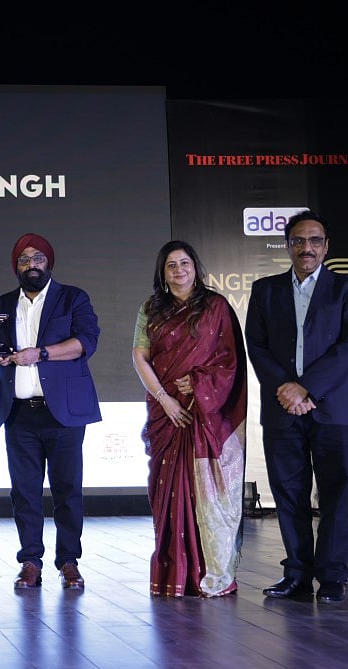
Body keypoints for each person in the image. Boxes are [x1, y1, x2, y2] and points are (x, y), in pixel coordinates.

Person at [245, 209, 348, 604]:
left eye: (315, 240)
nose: (307, 248)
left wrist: (306, 389)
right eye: (299, 241)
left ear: (326, 246)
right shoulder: (265, 289)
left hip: (332, 408)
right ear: (288, 246)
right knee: (289, 494)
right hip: (282, 408)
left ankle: (332, 576)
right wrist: (286, 389)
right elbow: (257, 347)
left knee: (334, 493)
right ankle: (297, 574)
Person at [131, 241, 248, 598]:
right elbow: (140, 356)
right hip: (167, 414)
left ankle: (210, 570)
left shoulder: (216, 307)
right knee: (165, 490)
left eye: (184, 263)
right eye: (170, 265)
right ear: (162, 273)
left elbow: (231, 362)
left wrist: (200, 383)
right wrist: (164, 400)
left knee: (208, 494)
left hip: (206, 417)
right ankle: (174, 573)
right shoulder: (151, 308)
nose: (178, 270)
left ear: (195, 267)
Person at [0, 233, 101, 590]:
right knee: (24, 492)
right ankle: (30, 562)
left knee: (68, 491)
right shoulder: (1, 302)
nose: (31, 264)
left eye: (37, 258)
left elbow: (86, 342)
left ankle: (69, 561)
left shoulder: (73, 298)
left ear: (48, 262)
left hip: (63, 413)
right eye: (24, 259)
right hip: (19, 413)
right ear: (16, 267)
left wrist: (42, 353)